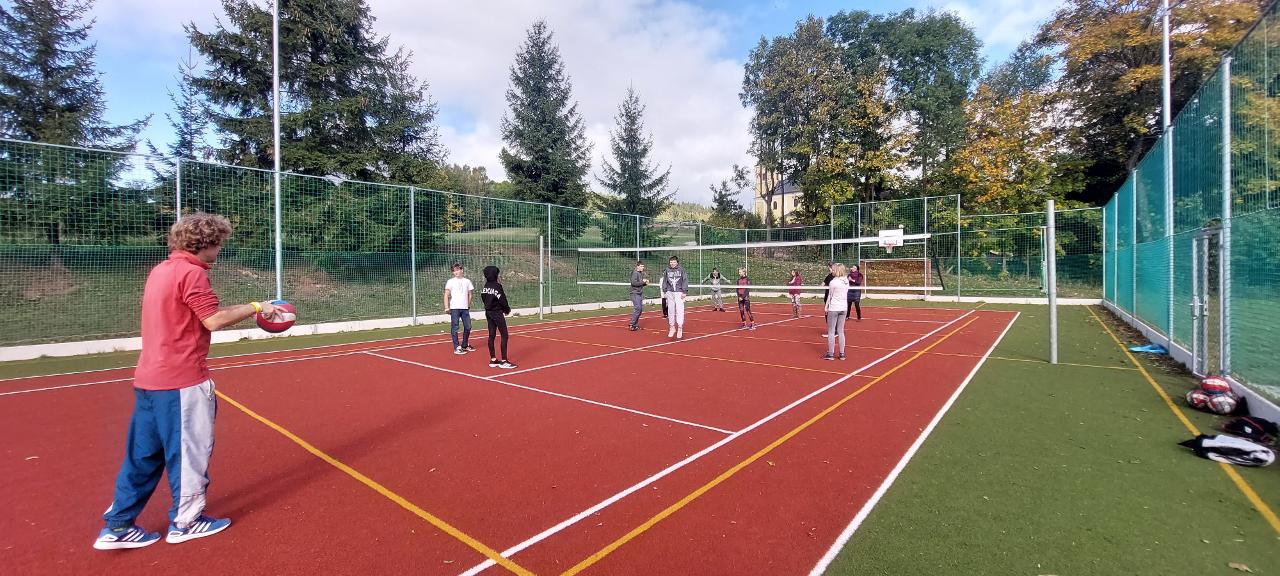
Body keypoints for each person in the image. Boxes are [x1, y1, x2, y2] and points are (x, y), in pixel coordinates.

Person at [94, 213, 280, 550]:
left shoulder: (161, 270)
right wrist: (257, 306)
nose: (220, 249)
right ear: (206, 243)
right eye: (219, 243)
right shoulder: (192, 273)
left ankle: (118, 524)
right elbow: (213, 320)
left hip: (148, 380)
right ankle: (187, 521)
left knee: (142, 456)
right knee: (190, 454)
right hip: (181, 381)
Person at [481, 265, 517, 369]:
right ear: (495, 275)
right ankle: (504, 361)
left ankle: (493, 359)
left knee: (491, 335)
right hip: (497, 313)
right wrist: (506, 309)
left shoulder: (485, 286)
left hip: (488, 312)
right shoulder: (497, 286)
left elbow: (483, 298)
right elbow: (502, 300)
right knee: (504, 335)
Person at [444, 263, 475, 354]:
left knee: (468, 327)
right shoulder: (450, 281)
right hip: (454, 308)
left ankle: (464, 344)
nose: (456, 272)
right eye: (454, 271)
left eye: (457, 270)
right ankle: (457, 347)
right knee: (455, 327)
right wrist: (446, 307)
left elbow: (470, 294)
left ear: (462, 270)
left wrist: (468, 305)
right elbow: (446, 295)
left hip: (465, 308)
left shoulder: (467, 281)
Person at [825, 263, 851, 361]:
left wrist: (826, 306)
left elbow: (830, 295)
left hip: (834, 307)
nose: (832, 271)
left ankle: (831, 354)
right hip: (844, 308)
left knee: (831, 331)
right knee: (840, 331)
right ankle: (842, 353)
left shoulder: (833, 282)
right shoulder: (846, 281)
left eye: (833, 269)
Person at [661, 255, 688, 339]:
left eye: (674, 262)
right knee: (670, 310)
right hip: (670, 292)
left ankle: (680, 327)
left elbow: (685, 280)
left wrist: (684, 291)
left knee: (679, 309)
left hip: (679, 292)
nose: (672, 263)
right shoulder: (667, 270)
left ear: (677, 262)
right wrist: (664, 290)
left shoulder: (681, 270)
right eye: (671, 262)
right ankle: (672, 327)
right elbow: (665, 280)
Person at [628, 261, 649, 331]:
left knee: (640, 310)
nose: (643, 268)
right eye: (641, 266)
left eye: (643, 266)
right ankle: (632, 324)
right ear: (638, 266)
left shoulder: (640, 273)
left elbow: (639, 283)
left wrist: (645, 283)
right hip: (635, 293)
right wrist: (643, 282)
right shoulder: (635, 273)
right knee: (638, 309)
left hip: (639, 293)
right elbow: (633, 283)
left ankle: (635, 325)